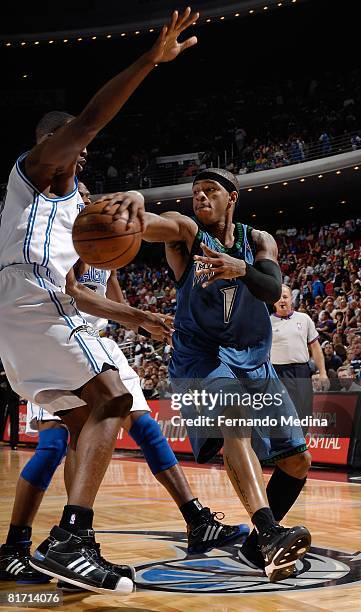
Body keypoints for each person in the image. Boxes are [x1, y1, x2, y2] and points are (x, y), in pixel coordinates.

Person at [0, 8, 198, 595]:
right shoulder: (32, 173)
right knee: (114, 396)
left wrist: (177, 227)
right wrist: (148, 61)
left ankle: (50, 549)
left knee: (88, 423)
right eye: (72, 150)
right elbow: (88, 122)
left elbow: (139, 231)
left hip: (25, 319)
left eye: (81, 157)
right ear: (49, 145)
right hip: (34, 300)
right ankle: (72, 539)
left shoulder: (80, 206)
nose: (80, 158)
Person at [0, 182, 245, 586]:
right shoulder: (65, 241)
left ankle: (195, 519)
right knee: (54, 444)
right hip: (59, 337)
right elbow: (76, 296)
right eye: (78, 194)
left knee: (145, 427)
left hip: (97, 344)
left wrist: (141, 320)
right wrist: (139, 315)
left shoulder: (104, 245)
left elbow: (113, 302)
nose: (86, 199)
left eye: (90, 194)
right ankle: (17, 546)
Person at [140, 168, 312, 582]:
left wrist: (240, 269)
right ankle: (271, 532)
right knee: (235, 418)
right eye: (196, 193)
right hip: (201, 359)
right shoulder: (186, 234)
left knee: (298, 462)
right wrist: (130, 214)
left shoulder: (258, 241)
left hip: (253, 359)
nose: (200, 198)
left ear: (231, 197)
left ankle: (258, 549)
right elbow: (155, 225)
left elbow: (273, 291)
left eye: (210, 191)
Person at [270, 285, 330, 431]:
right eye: (278, 297)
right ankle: (285, 448)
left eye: (285, 297)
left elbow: (315, 347)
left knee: (305, 411)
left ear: (291, 299)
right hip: (279, 372)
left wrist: (322, 373)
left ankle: (300, 446)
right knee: (284, 411)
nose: (282, 300)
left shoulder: (304, 319)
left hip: (302, 370)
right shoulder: (267, 322)